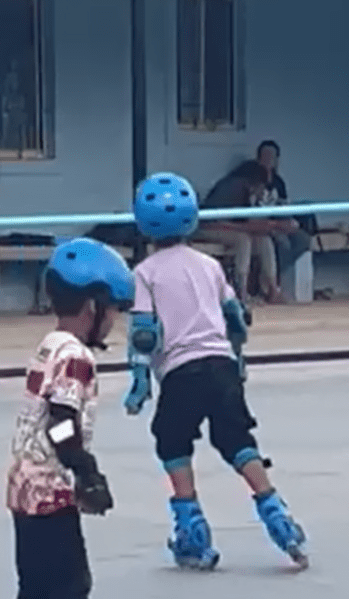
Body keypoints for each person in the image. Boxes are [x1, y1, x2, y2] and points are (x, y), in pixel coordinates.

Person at [0, 238, 144, 599]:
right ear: (92, 305)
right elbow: (62, 417)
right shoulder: (76, 356)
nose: (114, 320)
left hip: (21, 484)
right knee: (71, 584)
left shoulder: (49, 344)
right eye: (113, 310)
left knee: (34, 583)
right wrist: (86, 472)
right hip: (51, 486)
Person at [123, 171, 308, 571]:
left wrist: (139, 382)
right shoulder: (209, 265)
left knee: (172, 442)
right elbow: (234, 317)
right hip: (221, 365)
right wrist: (238, 361)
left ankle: (192, 530)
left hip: (180, 370)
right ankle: (277, 515)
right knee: (236, 438)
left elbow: (142, 334)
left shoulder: (145, 273)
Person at [198, 160, 281, 303]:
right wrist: (246, 228)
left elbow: (245, 221)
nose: (263, 190)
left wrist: (263, 226)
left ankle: (272, 289)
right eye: (262, 186)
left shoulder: (247, 192)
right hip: (206, 228)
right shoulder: (231, 188)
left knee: (263, 240)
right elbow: (214, 222)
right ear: (254, 182)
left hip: (228, 229)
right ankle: (241, 290)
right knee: (243, 239)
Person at [256, 140, 312, 291]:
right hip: (260, 226)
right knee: (283, 243)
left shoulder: (279, 182)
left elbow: (283, 207)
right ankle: (272, 284)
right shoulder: (252, 179)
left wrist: (290, 222)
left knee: (303, 239)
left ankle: (279, 274)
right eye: (265, 156)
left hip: (278, 223)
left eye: (272, 157)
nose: (268, 160)